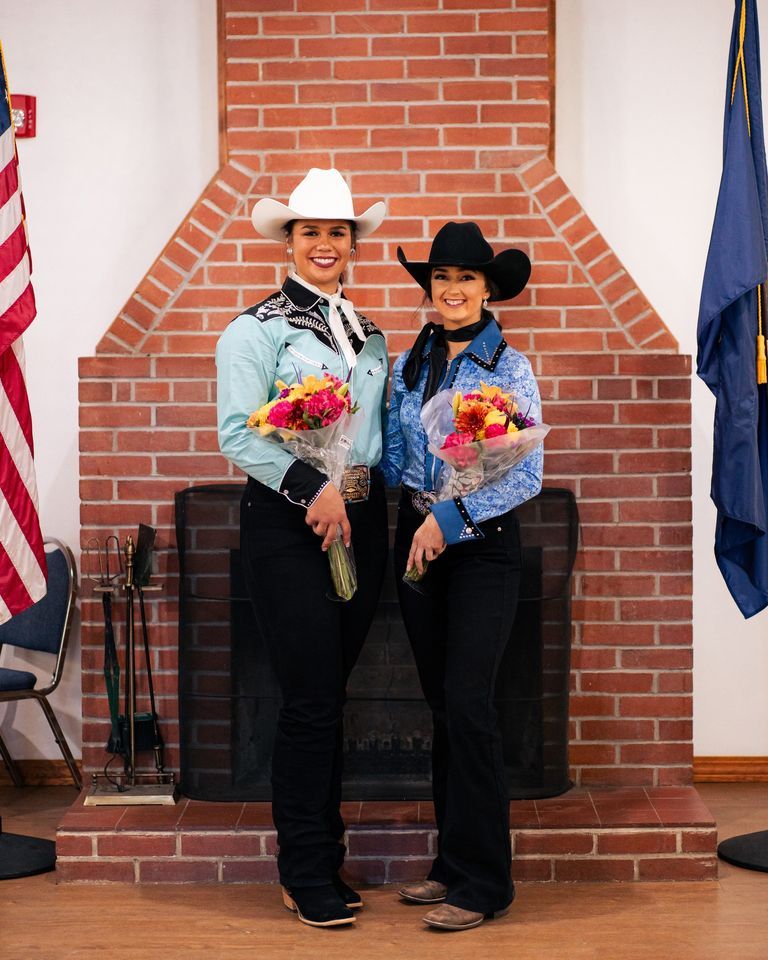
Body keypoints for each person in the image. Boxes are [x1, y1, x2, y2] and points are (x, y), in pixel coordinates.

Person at [216, 168, 389, 928]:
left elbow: (375, 434)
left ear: (353, 244)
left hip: (362, 518)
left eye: (338, 232)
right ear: (288, 241)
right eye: (311, 231)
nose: (325, 244)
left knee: (332, 695)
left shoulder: (369, 331)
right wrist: (310, 488)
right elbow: (236, 434)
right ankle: (303, 869)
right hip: (290, 523)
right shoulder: (254, 329)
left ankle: (326, 854)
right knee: (311, 698)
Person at [380, 221, 543, 931]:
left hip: (480, 547)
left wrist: (449, 518)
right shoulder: (407, 363)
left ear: (487, 289)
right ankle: (451, 865)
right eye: (441, 277)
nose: (452, 288)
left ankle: (485, 884)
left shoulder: (510, 366)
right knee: (444, 707)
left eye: (466, 278)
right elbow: (397, 459)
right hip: (416, 544)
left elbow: (526, 473)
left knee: (471, 706)